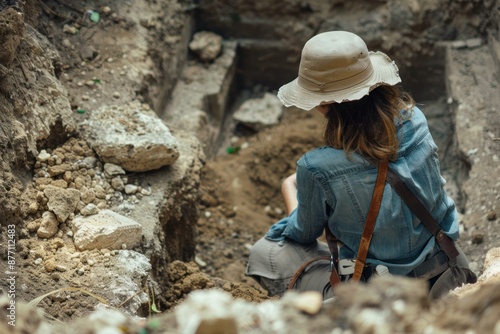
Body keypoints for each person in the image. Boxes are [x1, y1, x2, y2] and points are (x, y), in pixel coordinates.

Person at [246, 31, 476, 300]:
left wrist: (291, 188)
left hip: (383, 295)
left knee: (265, 254)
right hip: (447, 273)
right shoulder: (416, 120)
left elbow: (302, 234)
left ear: (321, 103)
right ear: (374, 84)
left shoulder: (315, 168)